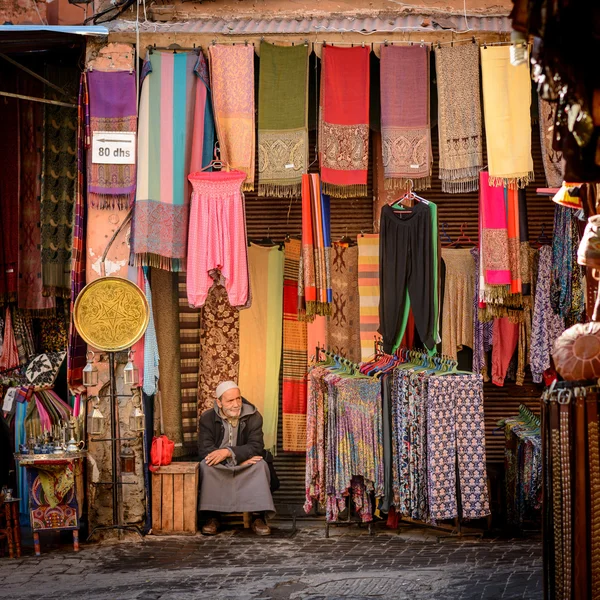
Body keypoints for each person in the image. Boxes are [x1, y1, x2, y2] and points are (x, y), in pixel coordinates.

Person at [198, 381, 276, 536]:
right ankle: (212, 517)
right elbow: (206, 449)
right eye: (230, 401)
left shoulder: (253, 416)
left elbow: (256, 446)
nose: (236, 404)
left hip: (245, 463)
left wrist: (229, 453)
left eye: (238, 399)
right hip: (221, 465)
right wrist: (229, 462)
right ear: (219, 403)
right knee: (206, 466)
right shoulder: (207, 418)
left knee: (260, 466)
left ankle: (258, 517)